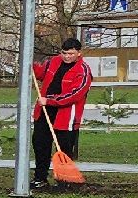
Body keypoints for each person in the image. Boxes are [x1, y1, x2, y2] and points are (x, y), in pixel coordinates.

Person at [32, 37, 94, 187]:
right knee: (40, 145)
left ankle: (65, 180)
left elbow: (75, 94)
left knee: (64, 149)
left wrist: (50, 100)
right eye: (64, 53)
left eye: (71, 54)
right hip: (44, 112)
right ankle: (40, 178)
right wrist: (31, 65)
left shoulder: (83, 71)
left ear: (79, 53)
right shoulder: (53, 62)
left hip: (66, 117)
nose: (67, 57)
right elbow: (41, 74)